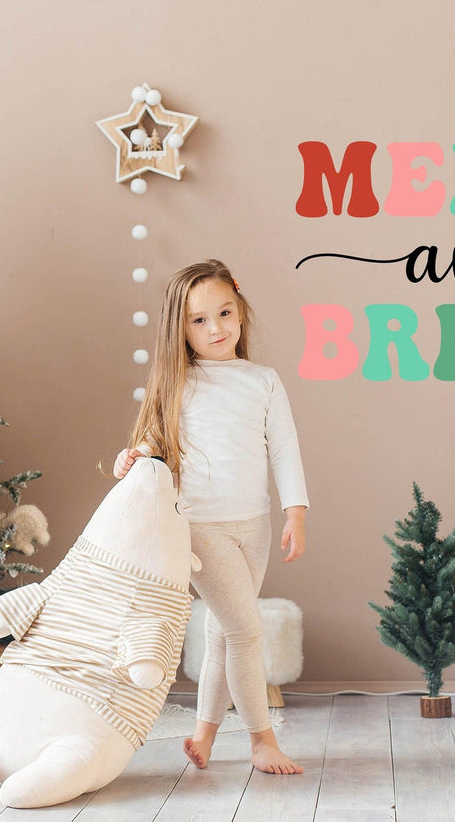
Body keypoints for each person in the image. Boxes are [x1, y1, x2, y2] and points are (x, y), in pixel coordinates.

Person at [113, 260, 308, 776]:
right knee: (246, 630)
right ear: (179, 329)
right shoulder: (179, 382)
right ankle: (262, 740)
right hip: (200, 527)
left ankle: (204, 733)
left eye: (224, 313)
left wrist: (296, 512)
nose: (216, 328)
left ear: (240, 310)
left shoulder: (263, 381)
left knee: (226, 632)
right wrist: (129, 458)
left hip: (255, 526)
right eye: (199, 321)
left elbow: (285, 450)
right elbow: (151, 445)